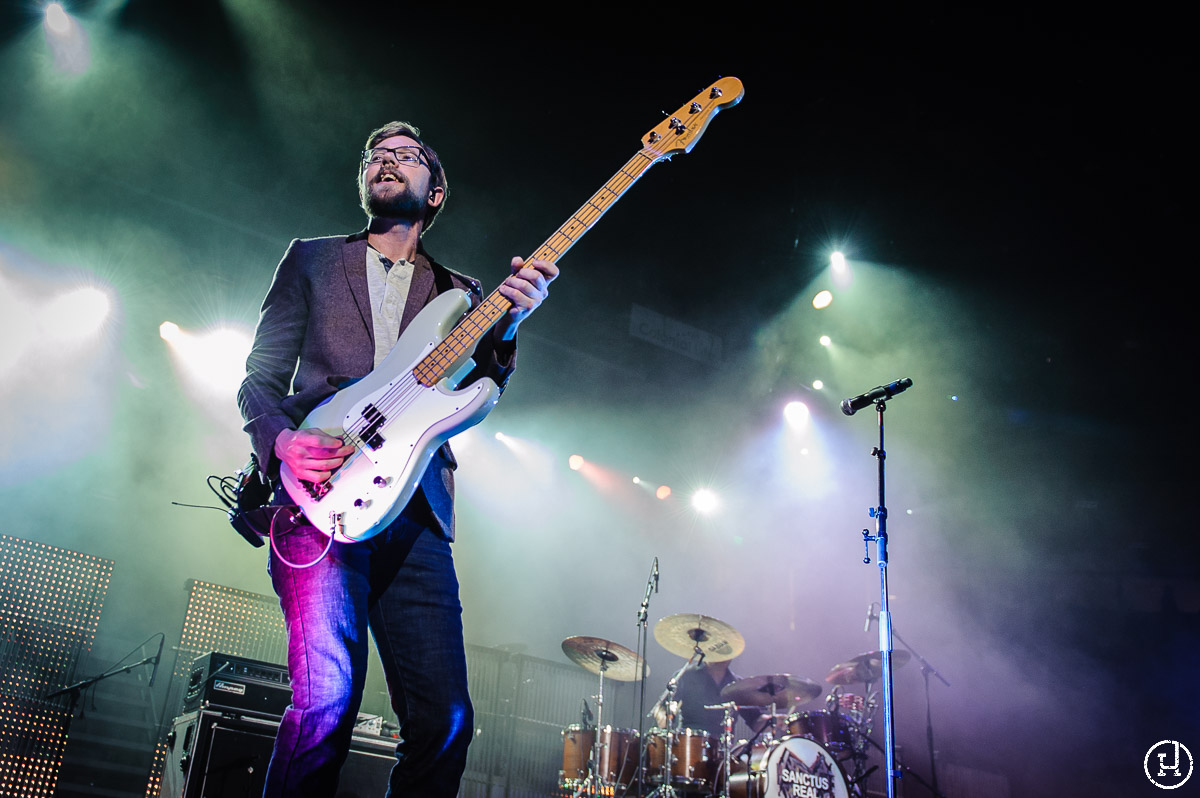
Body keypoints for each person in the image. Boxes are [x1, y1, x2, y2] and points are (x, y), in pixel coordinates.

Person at [237, 120, 558, 798]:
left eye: (407, 156)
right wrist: (282, 442)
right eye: (375, 156)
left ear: (435, 193)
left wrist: (511, 326)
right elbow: (257, 380)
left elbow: (482, 388)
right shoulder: (311, 260)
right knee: (326, 700)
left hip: (415, 516)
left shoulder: (466, 293)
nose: (387, 161)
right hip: (317, 494)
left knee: (445, 720)